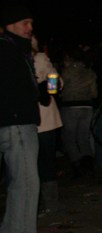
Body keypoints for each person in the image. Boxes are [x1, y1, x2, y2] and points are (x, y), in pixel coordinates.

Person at [0, 4, 49, 233]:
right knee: (26, 182)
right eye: (24, 23)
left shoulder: (17, 50)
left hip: (17, 120)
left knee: (21, 182)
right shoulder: (9, 50)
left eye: (31, 23)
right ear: (10, 25)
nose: (30, 28)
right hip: (15, 123)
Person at [32, 35, 66, 214]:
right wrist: (49, 87)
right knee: (46, 161)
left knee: (28, 164)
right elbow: (55, 84)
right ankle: (51, 203)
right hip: (43, 119)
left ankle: (32, 205)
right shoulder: (40, 58)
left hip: (24, 119)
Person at [60, 46, 98, 179]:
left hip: (70, 106)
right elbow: (94, 93)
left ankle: (77, 168)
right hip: (87, 106)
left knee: (69, 138)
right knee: (83, 138)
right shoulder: (90, 72)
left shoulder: (66, 71)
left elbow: (56, 88)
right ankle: (88, 168)